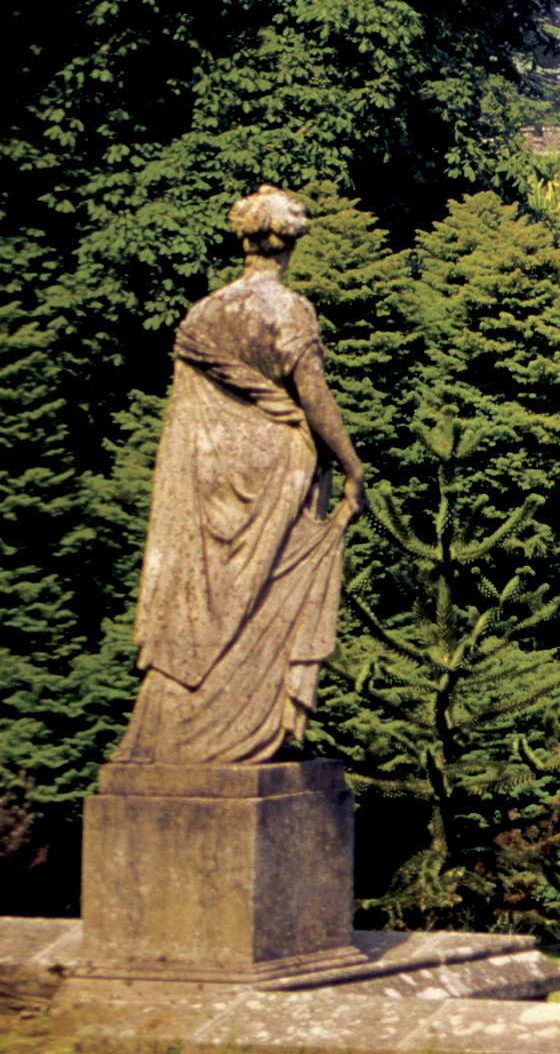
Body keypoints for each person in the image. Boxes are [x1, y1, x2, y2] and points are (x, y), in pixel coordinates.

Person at [116, 186, 364, 764]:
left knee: (204, 599)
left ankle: (183, 729)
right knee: (275, 596)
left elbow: (186, 416)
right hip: (278, 475)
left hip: (206, 483)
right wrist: (352, 465)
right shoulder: (288, 310)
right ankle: (261, 730)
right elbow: (315, 396)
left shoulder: (203, 313)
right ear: (288, 243)